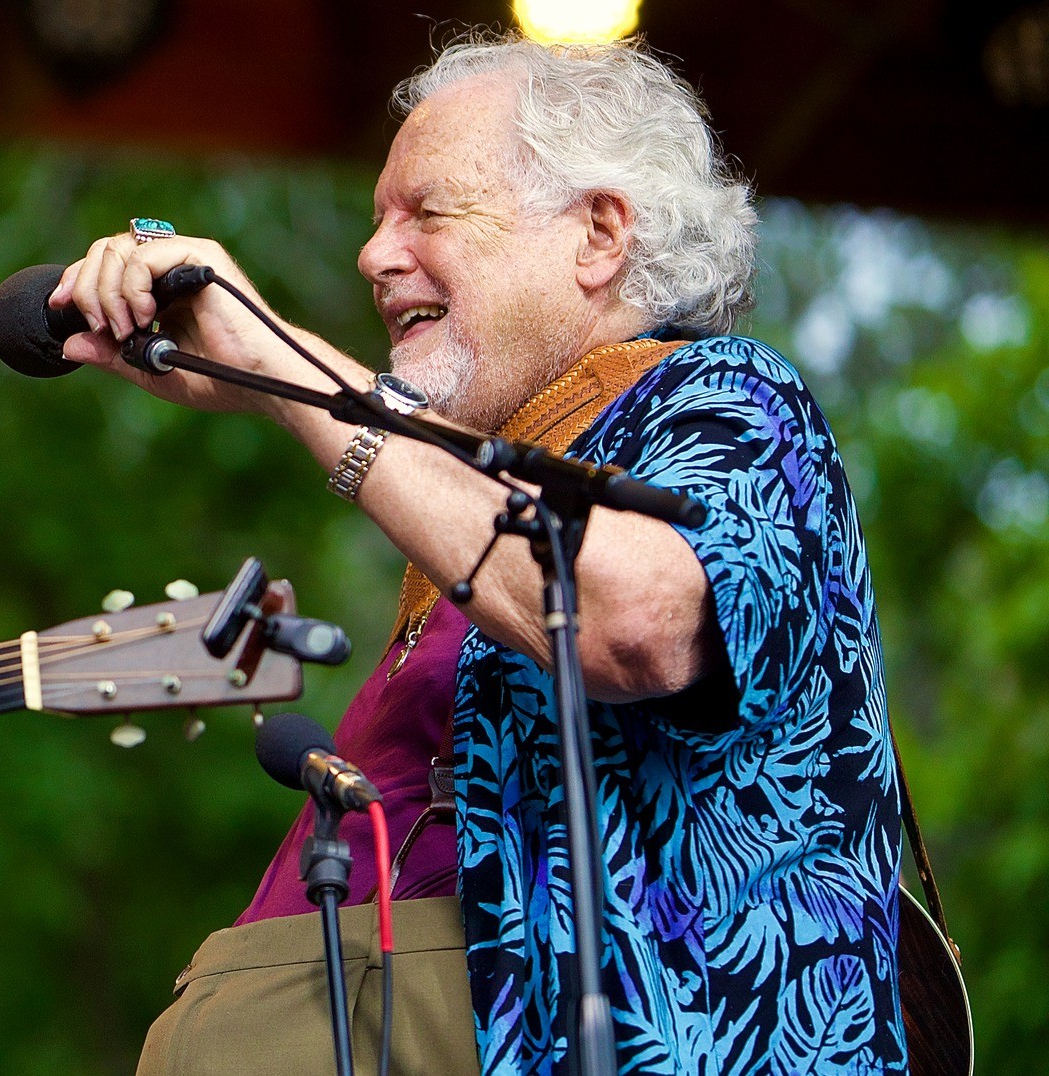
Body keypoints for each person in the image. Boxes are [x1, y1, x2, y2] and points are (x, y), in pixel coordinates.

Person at [54, 33, 900, 1076]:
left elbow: (630, 622)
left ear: (596, 235)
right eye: (374, 220)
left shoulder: (728, 396)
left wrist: (279, 357)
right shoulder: (507, 477)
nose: (373, 255)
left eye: (427, 211)